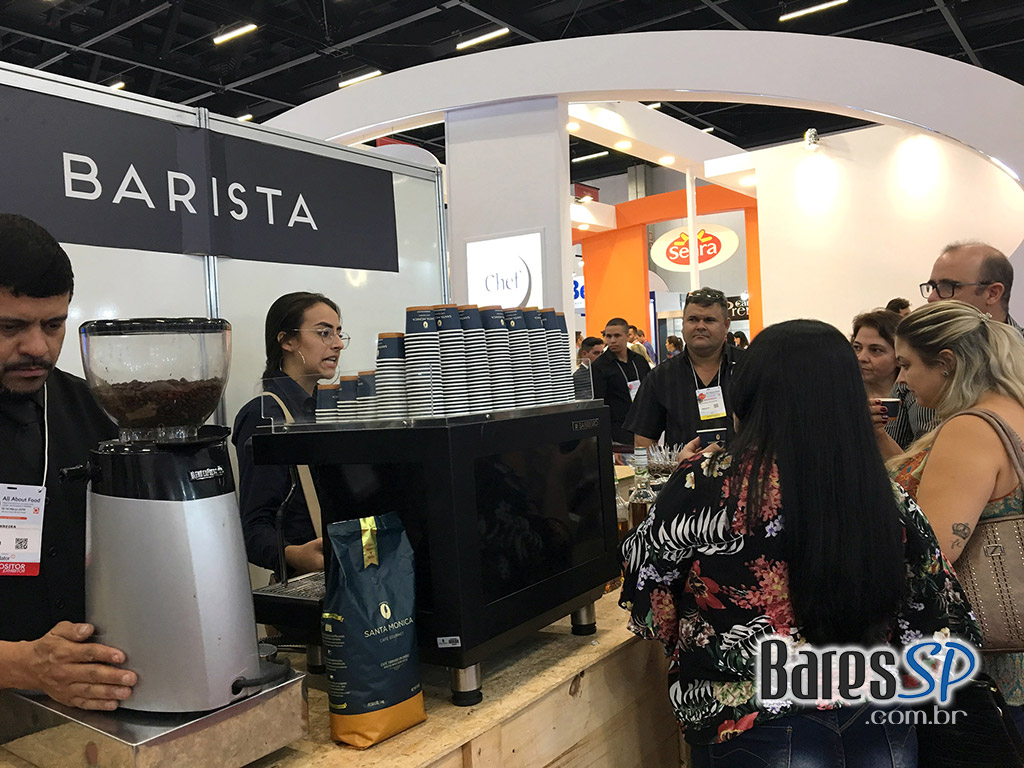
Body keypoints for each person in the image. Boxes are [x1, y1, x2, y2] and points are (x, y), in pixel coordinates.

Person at [620, 319, 980, 764]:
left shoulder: (705, 483)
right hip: (878, 715)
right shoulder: (881, 490)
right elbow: (937, 609)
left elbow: (649, 597)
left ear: (749, 391)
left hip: (751, 720)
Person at [0, 213, 137, 711]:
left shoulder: (95, 410)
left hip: (87, 703)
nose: (37, 347)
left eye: (53, 325)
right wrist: (22, 664)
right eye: (10, 327)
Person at [892, 300, 1024, 721]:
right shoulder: (1013, 410)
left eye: (906, 364)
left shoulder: (971, 429)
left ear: (946, 363)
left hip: (992, 662)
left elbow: (933, 552)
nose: (901, 379)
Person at [232, 292, 346, 578]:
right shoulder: (264, 415)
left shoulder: (331, 408)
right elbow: (253, 528)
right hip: (308, 583)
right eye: (324, 333)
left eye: (338, 332)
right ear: (287, 341)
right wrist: (294, 555)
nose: (338, 344)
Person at [624, 288, 744, 449]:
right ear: (683, 324)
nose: (700, 326)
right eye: (693, 319)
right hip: (682, 464)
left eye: (709, 320)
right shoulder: (660, 376)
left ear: (726, 325)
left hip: (742, 464)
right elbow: (643, 440)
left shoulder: (750, 366)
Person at [852, 309, 935, 456]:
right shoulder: (846, 392)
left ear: (899, 357)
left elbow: (921, 461)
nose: (861, 357)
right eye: (857, 347)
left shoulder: (916, 395)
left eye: (875, 350)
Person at [921, 240, 1023, 333]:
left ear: (992, 294)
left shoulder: (1019, 346)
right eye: (933, 286)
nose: (931, 298)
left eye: (947, 287)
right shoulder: (921, 343)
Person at [590, 318, 651, 446]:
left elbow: (650, 392)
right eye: (608, 336)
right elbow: (599, 404)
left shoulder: (639, 361)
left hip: (644, 429)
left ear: (627, 336)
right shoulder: (599, 366)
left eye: (617, 336)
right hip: (618, 433)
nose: (612, 340)